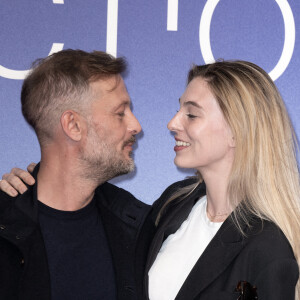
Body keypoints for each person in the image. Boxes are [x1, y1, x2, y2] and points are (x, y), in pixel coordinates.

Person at [3, 60, 300, 299]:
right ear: (72, 125)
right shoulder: (170, 208)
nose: (170, 123)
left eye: (191, 115)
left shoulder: (133, 221)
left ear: (238, 130)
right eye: (121, 113)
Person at [0, 49, 153, 300]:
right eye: (120, 113)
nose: (136, 125)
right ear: (73, 125)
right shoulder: (4, 222)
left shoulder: (141, 225)